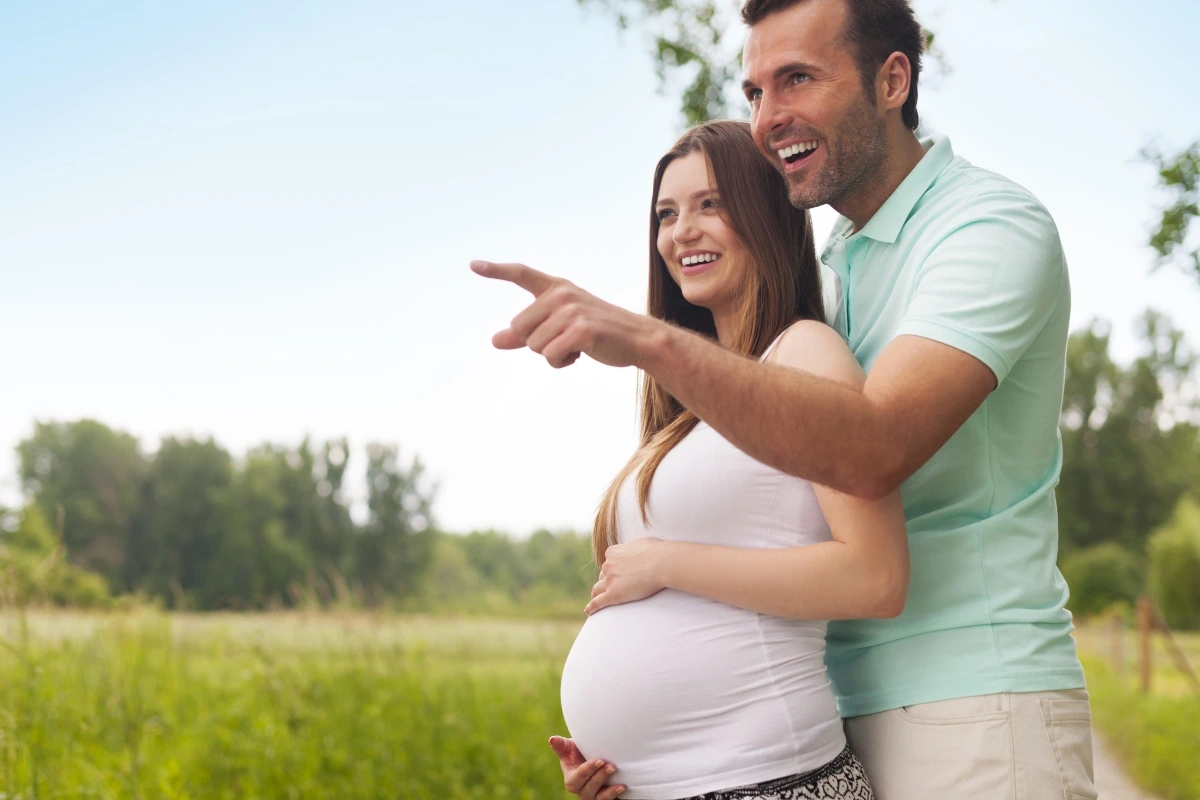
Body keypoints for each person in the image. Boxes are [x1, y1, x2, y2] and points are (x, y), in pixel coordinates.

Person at [472, 0, 1095, 796]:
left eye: (796, 78)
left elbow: (874, 449)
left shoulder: (987, 228)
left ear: (892, 79)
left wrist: (652, 341)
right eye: (756, 91)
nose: (769, 116)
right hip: (837, 710)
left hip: (971, 703)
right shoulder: (832, 273)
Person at [546, 119, 907, 800]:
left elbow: (875, 577)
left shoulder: (803, 353)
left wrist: (666, 563)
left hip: (771, 780)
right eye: (666, 213)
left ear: (766, 214)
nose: (681, 230)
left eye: (710, 204)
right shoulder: (682, 413)